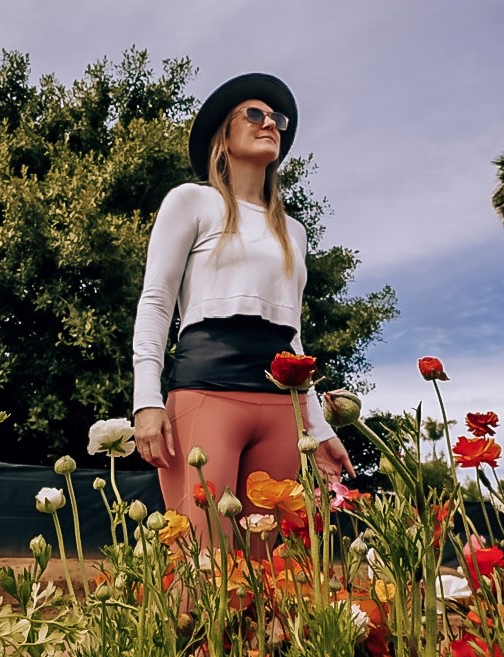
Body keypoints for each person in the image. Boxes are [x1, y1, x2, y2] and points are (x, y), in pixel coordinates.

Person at [132, 71, 354, 538]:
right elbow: (156, 302)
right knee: (201, 567)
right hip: (205, 392)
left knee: (265, 574)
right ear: (223, 135)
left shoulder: (294, 232)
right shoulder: (192, 202)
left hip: (280, 406)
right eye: (254, 114)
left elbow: (293, 337)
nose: (269, 123)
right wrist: (146, 401)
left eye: (278, 118)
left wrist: (321, 430)